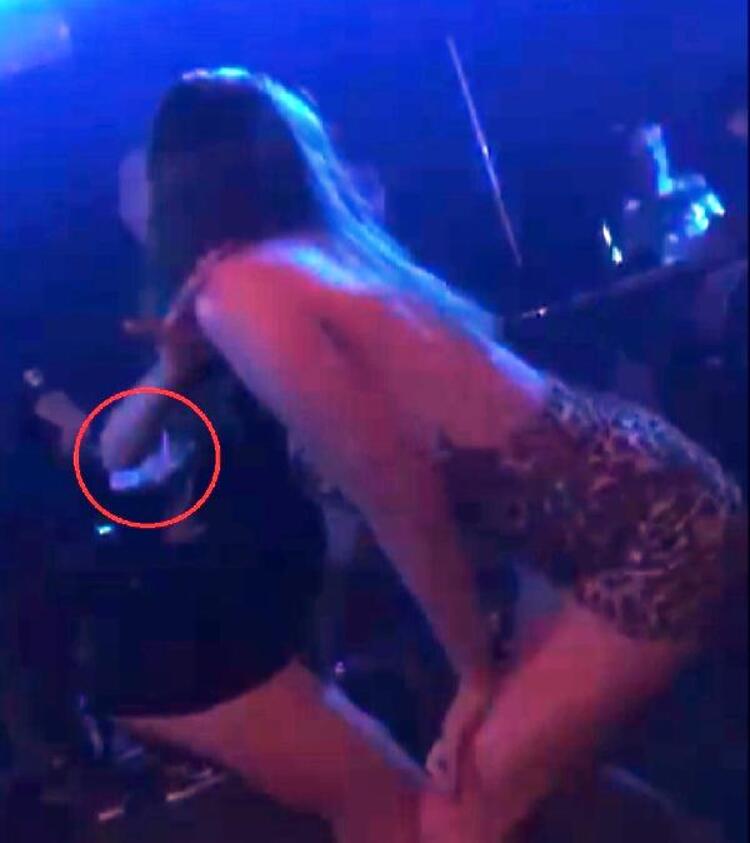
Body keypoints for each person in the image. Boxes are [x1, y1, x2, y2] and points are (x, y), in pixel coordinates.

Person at [106, 67, 745, 842]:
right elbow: (115, 453)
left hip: (642, 528)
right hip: (611, 505)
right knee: (541, 780)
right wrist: (176, 362)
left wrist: (475, 672)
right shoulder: (315, 254)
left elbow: (396, 492)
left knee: (455, 815)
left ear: (178, 183)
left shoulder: (244, 291)